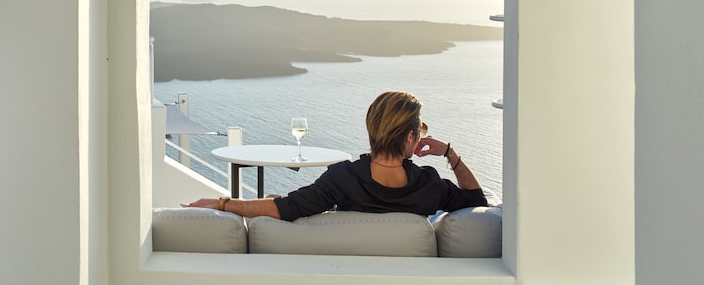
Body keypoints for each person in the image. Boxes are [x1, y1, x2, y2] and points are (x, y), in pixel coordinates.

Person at [188, 90, 487, 221]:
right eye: (419, 131)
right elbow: (477, 201)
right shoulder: (429, 186)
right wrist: (449, 153)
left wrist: (223, 203)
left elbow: (283, 209)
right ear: (410, 137)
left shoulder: (342, 178)